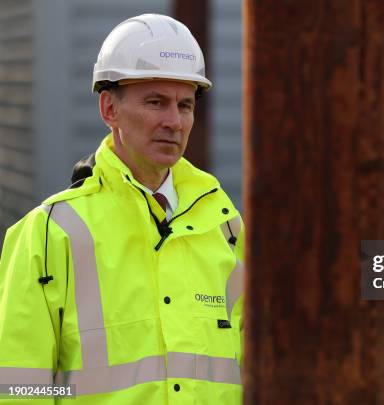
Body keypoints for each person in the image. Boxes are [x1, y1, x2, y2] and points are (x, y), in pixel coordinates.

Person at [0, 14, 244, 404]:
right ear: (108, 109)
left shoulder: (225, 227)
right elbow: (17, 387)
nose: (174, 121)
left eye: (184, 105)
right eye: (155, 103)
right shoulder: (48, 233)